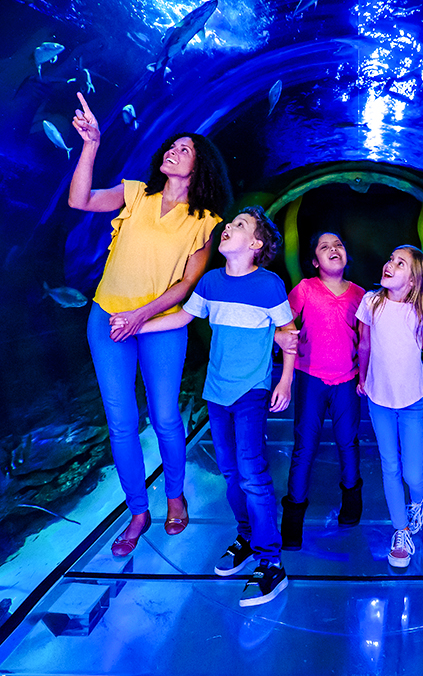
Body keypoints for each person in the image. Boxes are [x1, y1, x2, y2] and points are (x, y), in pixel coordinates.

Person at [67, 91, 230, 557]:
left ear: (198, 169)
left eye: (185, 149)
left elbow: (184, 287)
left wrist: (140, 316)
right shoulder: (135, 193)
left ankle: (174, 494)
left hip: (157, 325)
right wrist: (91, 145)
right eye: (172, 146)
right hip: (107, 321)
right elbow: (80, 200)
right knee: (120, 423)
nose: (173, 151)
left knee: (164, 416)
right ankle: (138, 511)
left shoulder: (206, 222)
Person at [119, 206, 297, 606]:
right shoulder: (212, 281)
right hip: (216, 393)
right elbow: (183, 316)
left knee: (252, 473)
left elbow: (288, 335)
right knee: (231, 472)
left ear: (255, 244)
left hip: (251, 390)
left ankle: (272, 563)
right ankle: (248, 538)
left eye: (239, 226)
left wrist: (285, 380)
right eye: (230, 223)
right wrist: (137, 324)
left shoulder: (270, 285)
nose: (228, 228)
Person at [357, 245, 423, 568]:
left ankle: (418, 500)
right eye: (390, 258)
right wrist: (361, 377)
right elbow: (365, 342)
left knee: (413, 472)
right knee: (389, 465)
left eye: (400, 263)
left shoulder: (420, 309)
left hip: (412, 400)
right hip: (378, 398)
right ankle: (400, 530)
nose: (390, 264)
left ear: (413, 281)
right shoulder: (371, 302)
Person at [280, 231, 366, 549]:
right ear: (315, 261)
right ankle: (292, 521)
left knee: (348, 443)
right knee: (304, 447)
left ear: (346, 257)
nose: (333, 249)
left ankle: (352, 504)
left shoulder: (360, 295)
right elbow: (284, 322)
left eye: (339, 245)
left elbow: (367, 341)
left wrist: (366, 377)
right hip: (310, 378)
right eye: (324, 246)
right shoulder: (305, 289)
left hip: (347, 380)